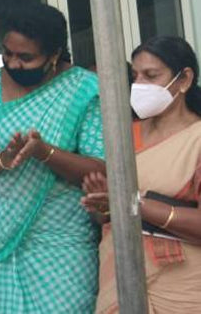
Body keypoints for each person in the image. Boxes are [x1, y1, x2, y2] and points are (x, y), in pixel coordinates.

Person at [0, 3, 106, 313]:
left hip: (61, 240)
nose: (13, 63)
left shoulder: (84, 89)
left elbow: (101, 168)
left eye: (26, 57)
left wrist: (45, 153)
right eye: (7, 53)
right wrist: (4, 158)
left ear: (54, 54)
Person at [82, 36, 201, 313]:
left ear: (184, 79)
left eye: (151, 75)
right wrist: (101, 204)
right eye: (135, 76)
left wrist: (135, 204)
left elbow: (131, 204)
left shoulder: (196, 139)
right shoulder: (123, 134)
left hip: (181, 287)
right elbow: (107, 218)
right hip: (121, 276)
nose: (140, 85)